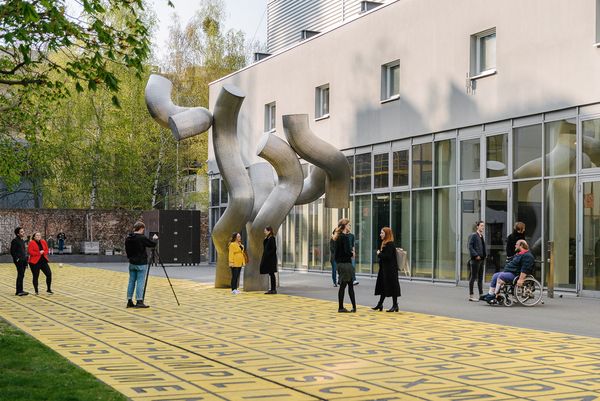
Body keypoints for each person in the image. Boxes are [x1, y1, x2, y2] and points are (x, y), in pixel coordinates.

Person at [125, 221, 157, 308]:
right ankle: (139, 300)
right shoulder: (141, 238)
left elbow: (127, 251)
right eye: (143, 229)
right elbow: (152, 244)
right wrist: (155, 239)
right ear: (141, 228)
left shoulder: (128, 238)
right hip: (141, 263)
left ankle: (129, 300)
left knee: (131, 281)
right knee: (140, 282)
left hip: (132, 263)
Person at [373, 227, 401, 312]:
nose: (380, 234)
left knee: (392, 287)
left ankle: (395, 305)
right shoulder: (385, 243)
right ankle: (380, 304)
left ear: (387, 234)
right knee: (383, 286)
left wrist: (379, 254)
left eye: (382, 233)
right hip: (385, 269)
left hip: (390, 270)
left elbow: (387, 256)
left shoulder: (390, 244)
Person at [333, 219, 356, 313]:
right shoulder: (344, 237)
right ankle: (341, 307)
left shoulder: (337, 237)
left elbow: (336, 253)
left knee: (348, 284)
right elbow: (347, 251)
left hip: (340, 263)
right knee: (345, 285)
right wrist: (352, 254)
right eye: (349, 225)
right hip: (346, 264)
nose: (350, 226)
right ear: (345, 226)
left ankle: (353, 307)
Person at [468, 220, 486, 302]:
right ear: (477, 227)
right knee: (473, 277)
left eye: (483, 226)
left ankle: (481, 294)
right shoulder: (474, 235)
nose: (483, 227)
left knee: (480, 278)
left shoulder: (481, 236)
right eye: (481, 225)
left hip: (481, 259)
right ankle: (471, 295)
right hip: (475, 260)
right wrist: (476, 255)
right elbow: (470, 246)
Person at [10, 227, 29, 296]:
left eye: (23, 231)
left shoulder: (22, 240)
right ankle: (18, 291)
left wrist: (26, 262)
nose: (23, 232)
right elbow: (12, 251)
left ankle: (21, 290)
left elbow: (24, 252)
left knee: (22, 275)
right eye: (21, 232)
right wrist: (17, 259)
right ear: (18, 233)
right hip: (19, 261)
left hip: (23, 260)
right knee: (20, 275)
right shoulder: (15, 240)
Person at [259, 226, 278, 294]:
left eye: (265, 231)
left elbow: (273, 249)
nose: (264, 232)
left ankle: (273, 289)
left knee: (272, 273)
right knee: (271, 273)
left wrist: (267, 255)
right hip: (269, 259)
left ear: (269, 231)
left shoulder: (272, 238)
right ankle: (272, 289)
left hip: (271, 259)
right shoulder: (268, 238)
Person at [346, 221, 359, 285]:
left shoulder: (352, 236)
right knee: (346, 267)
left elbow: (353, 245)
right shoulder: (342, 236)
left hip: (351, 253)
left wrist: (354, 252)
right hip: (345, 254)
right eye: (349, 225)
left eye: (350, 226)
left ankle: (354, 280)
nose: (350, 227)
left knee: (352, 267)